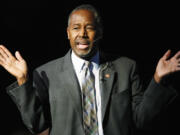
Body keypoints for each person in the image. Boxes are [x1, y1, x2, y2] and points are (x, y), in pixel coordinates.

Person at [0, 4, 180, 135]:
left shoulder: (126, 67)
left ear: (99, 33)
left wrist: (158, 79)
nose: (83, 34)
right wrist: (23, 80)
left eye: (90, 28)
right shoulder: (46, 73)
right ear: (68, 33)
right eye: (76, 28)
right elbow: (36, 125)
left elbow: (143, 121)